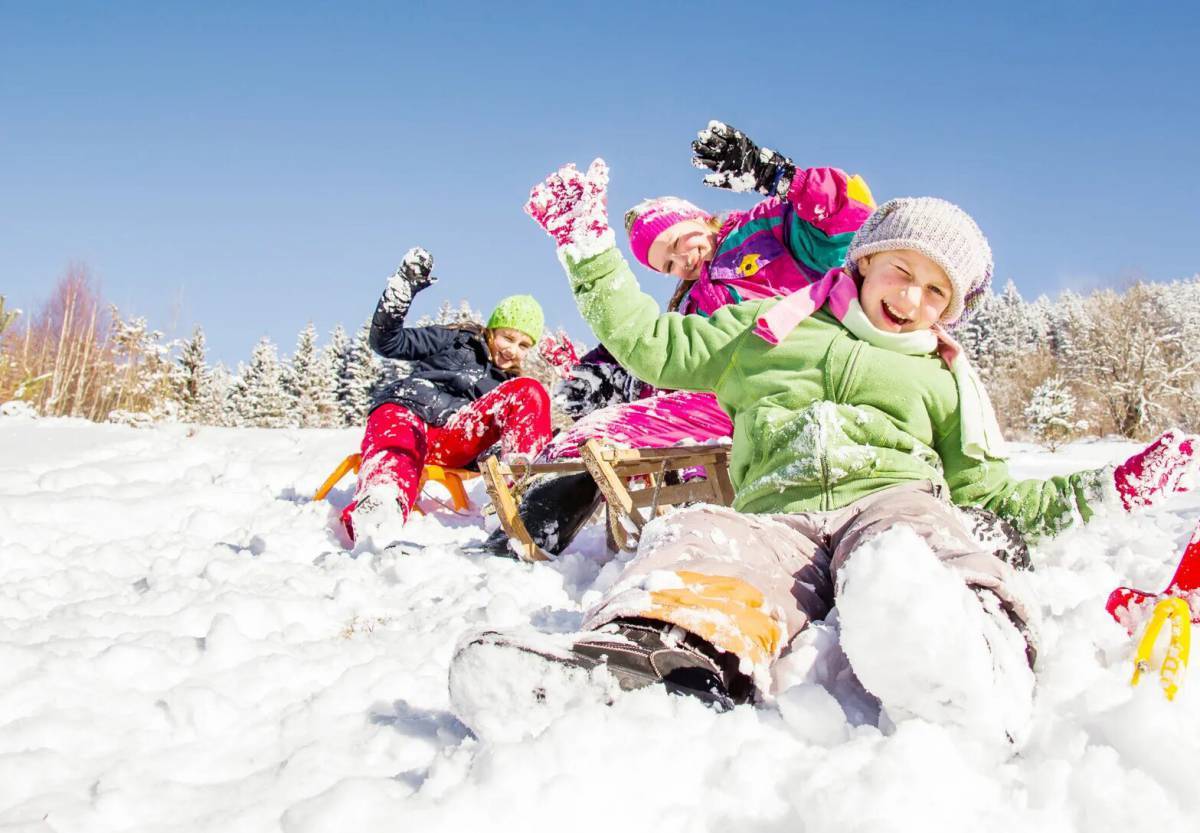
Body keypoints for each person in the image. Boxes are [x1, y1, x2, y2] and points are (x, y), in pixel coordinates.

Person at [450, 160, 1199, 745]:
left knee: (917, 547)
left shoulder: (942, 374)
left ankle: (970, 659)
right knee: (700, 538)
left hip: (893, 500)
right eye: (903, 270)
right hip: (780, 510)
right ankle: (633, 661)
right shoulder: (770, 327)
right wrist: (590, 250)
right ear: (867, 261)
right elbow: (652, 343)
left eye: (938, 292)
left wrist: (1115, 487)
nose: (913, 299)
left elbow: (993, 497)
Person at [474, 122, 877, 559]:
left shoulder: (765, 230)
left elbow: (848, 222)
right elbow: (664, 358)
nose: (681, 261)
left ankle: (524, 541)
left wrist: (778, 177)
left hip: (794, 387)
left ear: (697, 217)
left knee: (607, 434)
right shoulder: (688, 305)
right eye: (666, 265)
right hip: (724, 405)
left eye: (677, 242)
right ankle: (521, 538)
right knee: (599, 436)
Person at [342, 247, 552, 542]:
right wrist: (402, 291)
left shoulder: (507, 385)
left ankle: (518, 502)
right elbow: (387, 343)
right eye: (508, 337)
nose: (512, 350)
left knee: (530, 390)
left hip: (455, 437)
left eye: (524, 345)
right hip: (408, 412)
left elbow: (498, 438)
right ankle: (382, 503)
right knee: (397, 442)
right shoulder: (454, 340)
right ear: (491, 330)